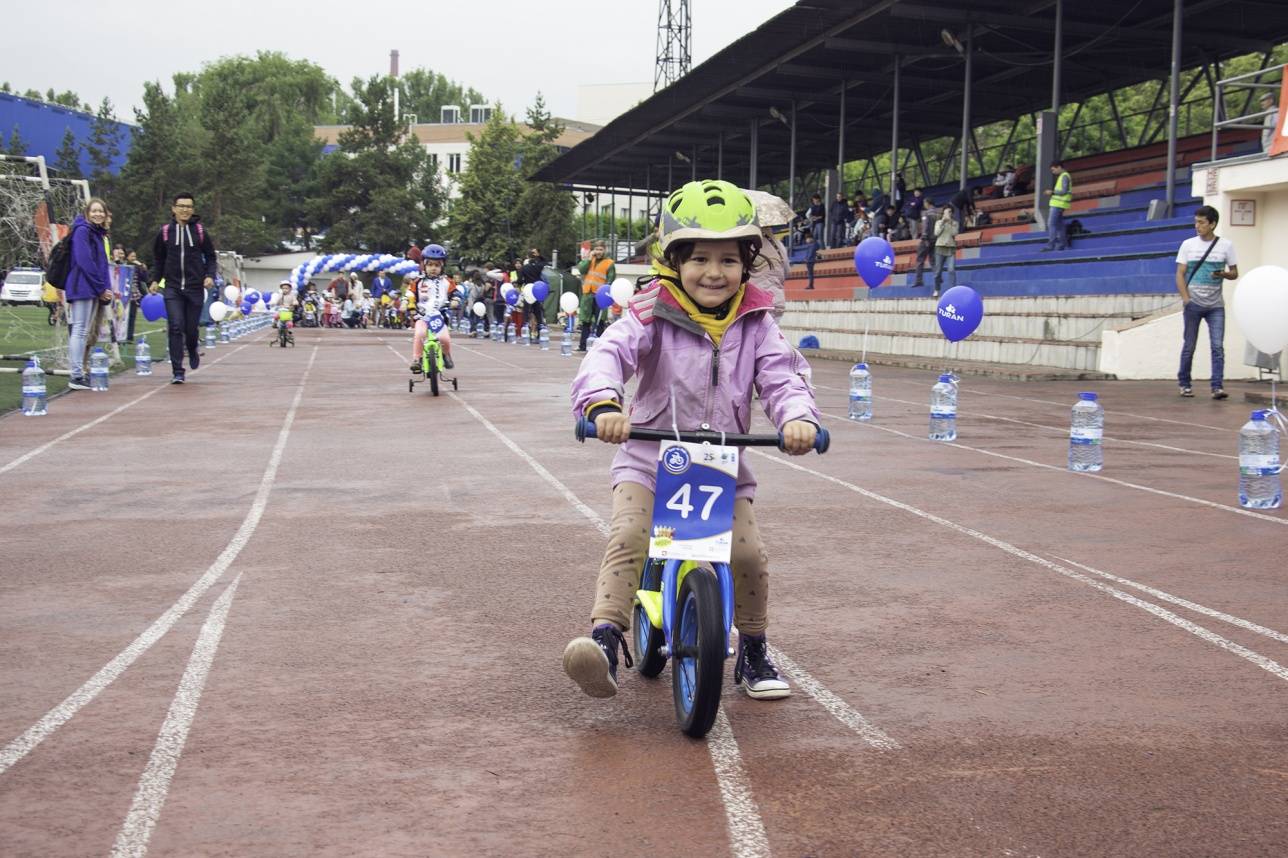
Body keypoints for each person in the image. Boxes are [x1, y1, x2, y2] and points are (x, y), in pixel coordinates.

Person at [563, 179, 819, 701]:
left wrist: (798, 419)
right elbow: (609, 355)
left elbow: (782, 377)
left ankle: (752, 649)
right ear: (674, 260)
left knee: (748, 554)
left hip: (723, 465)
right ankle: (606, 638)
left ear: (747, 263)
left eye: (728, 260)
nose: (713, 272)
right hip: (650, 459)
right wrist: (604, 404)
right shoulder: (651, 310)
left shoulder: (757, 321)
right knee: (630, 537)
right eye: (699, 258)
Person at [151, 192, 216, 384]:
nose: (185, 210)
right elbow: (158, 259)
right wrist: (155, 279)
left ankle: (193, 348)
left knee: (191, 328)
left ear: (193, 209)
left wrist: (210, 275)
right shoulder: (164, 232)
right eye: (181, 206)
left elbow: (211, 256)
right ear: (174, 209)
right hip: (172, 288)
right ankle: (177, 370)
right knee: (176, 326)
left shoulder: (200, 232)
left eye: (188, 206)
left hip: (195, 287)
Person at [1175, 205, 1238, 400]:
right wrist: (1186, 299)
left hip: (1216, 305)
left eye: (1202, 222)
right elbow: (1180, 273)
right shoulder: (1188, 245)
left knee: (1217, 346)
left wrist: (1224, 274)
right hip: (1193, 304)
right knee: (1189, 345)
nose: (1197, 226)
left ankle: (1217, 386)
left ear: (1212, 224)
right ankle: (1184, 383)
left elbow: (1235, 273)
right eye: (1196, 222)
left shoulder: (1226, 246)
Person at [63, 198, 113, 390]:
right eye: (94, 211)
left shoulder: (98, 234)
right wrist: (100, 288)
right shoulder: (83, 231)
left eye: (101, 211)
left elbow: (102, 265)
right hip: (82, 286)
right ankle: (75, 375)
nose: (98, 214)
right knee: (80, 329)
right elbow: (84, 261)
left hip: (92, 288)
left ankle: (79, 372)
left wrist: (103, 289)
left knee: (83, 331)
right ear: (87, 213)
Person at [410, 244, 454, 371]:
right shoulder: (418, 281)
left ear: (442, 266)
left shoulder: (447, 282)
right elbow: (410, 293)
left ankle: (446, 355)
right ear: (424, 265)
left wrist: (455, 300)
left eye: (437, 265)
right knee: (419, 334)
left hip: (439, 317)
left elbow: (455, 293)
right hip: (422, 316)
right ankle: (417, 359)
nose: (433, 268)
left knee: (444, 338)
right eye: (430, 265)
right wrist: (406, 303)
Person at [577, 241, 616, 351]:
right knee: (585, 321)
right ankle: (582, 345)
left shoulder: (609, 263)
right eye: (597, 249)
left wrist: (606, 295)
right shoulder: (590, 260)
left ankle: (600, 347)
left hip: (600, 296)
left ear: (605, 250)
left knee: (600, 321)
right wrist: (589, 259)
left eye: (601, 249)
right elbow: (581, 270)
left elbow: (610, 280)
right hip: (588, 295)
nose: (598, 252)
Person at [1042, 160, 1072, 251]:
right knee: (1060, 225)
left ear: (1059, 167)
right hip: (1060, 204)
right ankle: (1063, 244)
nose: (1053, 172)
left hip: (1058, 204)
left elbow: (1064, 191)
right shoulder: (1063, 176)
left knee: (1051, 224)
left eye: (1053, 169)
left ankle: (1050, 245)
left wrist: (1052, 192)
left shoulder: (1064, 176)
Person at [931, 205, 958, 298]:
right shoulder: (938, 222)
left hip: (951, 248)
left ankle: (952, 290)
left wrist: (950, 223)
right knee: (938, 271)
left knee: (951, 270)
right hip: (939, 247)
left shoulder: (954, 223)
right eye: (947, 212)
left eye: (950, 212)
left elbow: (955, 233)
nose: (948, 214)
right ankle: (937, 289)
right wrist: (943, 222)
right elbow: (936, 233)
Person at [912, 200, 937, 289]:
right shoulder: (938, 214)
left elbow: (925, 226)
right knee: (933, 260)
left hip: (926, 240)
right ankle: (938, 276)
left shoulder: (926, 214)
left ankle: (919, 280)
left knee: (920, 260)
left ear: (927, 203)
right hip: (935, 240)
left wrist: (924, 237)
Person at [125, 250, 149, 341]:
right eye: (132, 256)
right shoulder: (125, 266)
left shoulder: (137, 268)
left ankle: (129, 337)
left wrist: (143, 269)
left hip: (134, 295)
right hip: (125, 294)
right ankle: (122, 335)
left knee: (132, 316)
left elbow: (145, 279)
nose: (134, 258)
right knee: (124, 317)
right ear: (127, 257)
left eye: (135, 257)